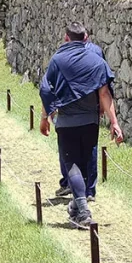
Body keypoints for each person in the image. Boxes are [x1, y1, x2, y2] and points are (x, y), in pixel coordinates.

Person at [40, 23, 123, 229]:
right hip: (90, 120)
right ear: (85, 38)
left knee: (72, 165)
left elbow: (47, 89)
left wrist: (45, 117)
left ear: (66, 38)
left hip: (66, 121)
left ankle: (84, 212)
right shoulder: (96, 60)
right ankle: (77, 208)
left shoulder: (58, 60)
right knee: (86, 162)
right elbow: (105, 93)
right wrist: (114, 122)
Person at [56, 37, 106, 200]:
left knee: (69, 155)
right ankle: (89, 190)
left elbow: (51, 86)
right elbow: (102, 84)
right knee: (89, 151)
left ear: (68, 38)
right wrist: (102, 106)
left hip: (68, 113)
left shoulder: (62, 55)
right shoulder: (97, 52)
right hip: (90, 111)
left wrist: (47, 113)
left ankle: (70, 185)